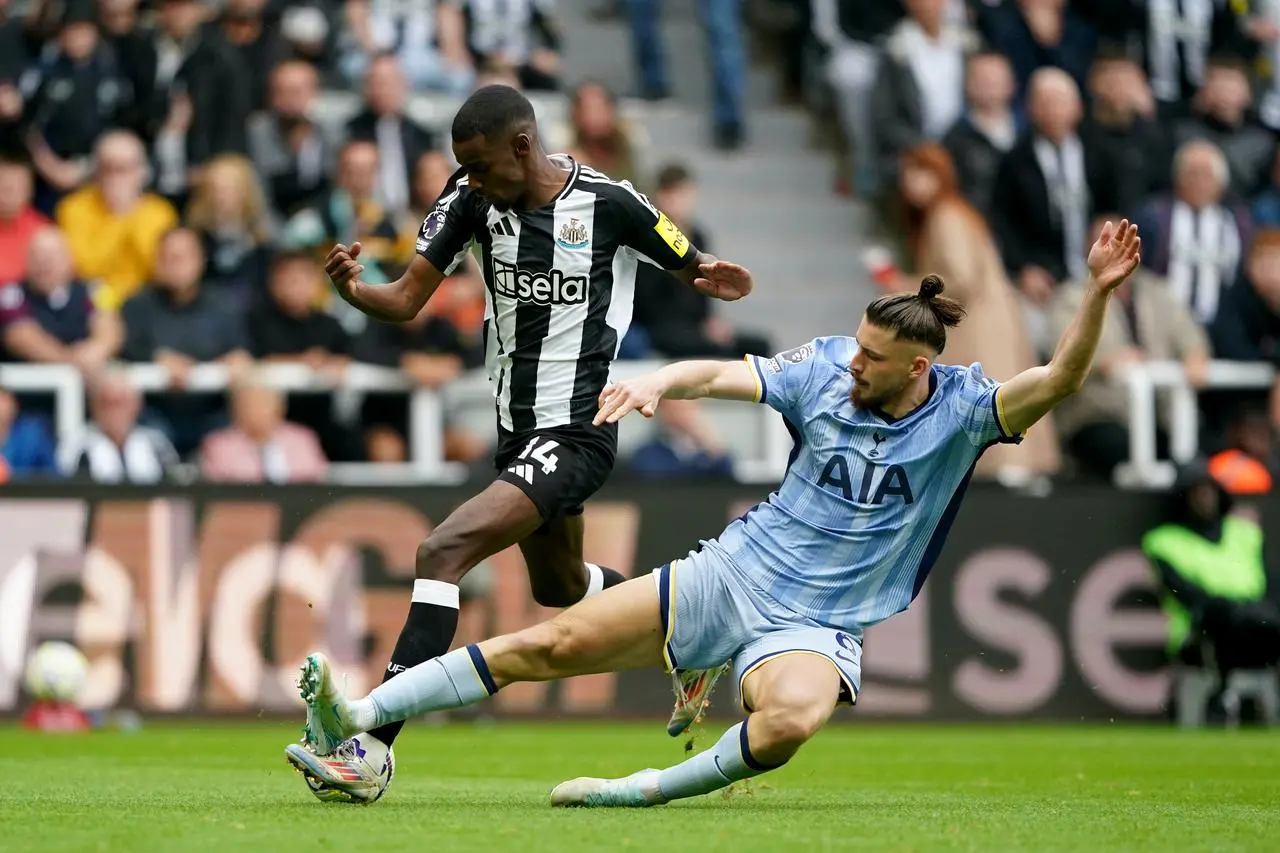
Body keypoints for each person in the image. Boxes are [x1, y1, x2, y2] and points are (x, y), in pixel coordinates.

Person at [289, 220, 1142, 805]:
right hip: (734, 570)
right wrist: (660, 380)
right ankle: (360, 717)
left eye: (874, 360)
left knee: (790, 721)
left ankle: (639, 791)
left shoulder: (963, 411)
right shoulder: (829, 367)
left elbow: (1060, 381)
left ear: (918, 368)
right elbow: (727, 374)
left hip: (816, 621)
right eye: (855, 348)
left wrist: (1098, 292)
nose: (853, 366)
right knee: (545, 641)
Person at [285, 83, 754, 801]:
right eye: (462, 168)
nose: (472, 180)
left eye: (481, 166)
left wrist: (710, 277)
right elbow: (408, 296)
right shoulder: (472, 198)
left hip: (577, 430)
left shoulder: (608, 201)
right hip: (518, 433)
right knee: (560, 586)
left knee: (441, 550)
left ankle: (370, 749)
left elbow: (690, 260)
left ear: (523, 146)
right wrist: (356, 289)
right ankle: (692, 635)